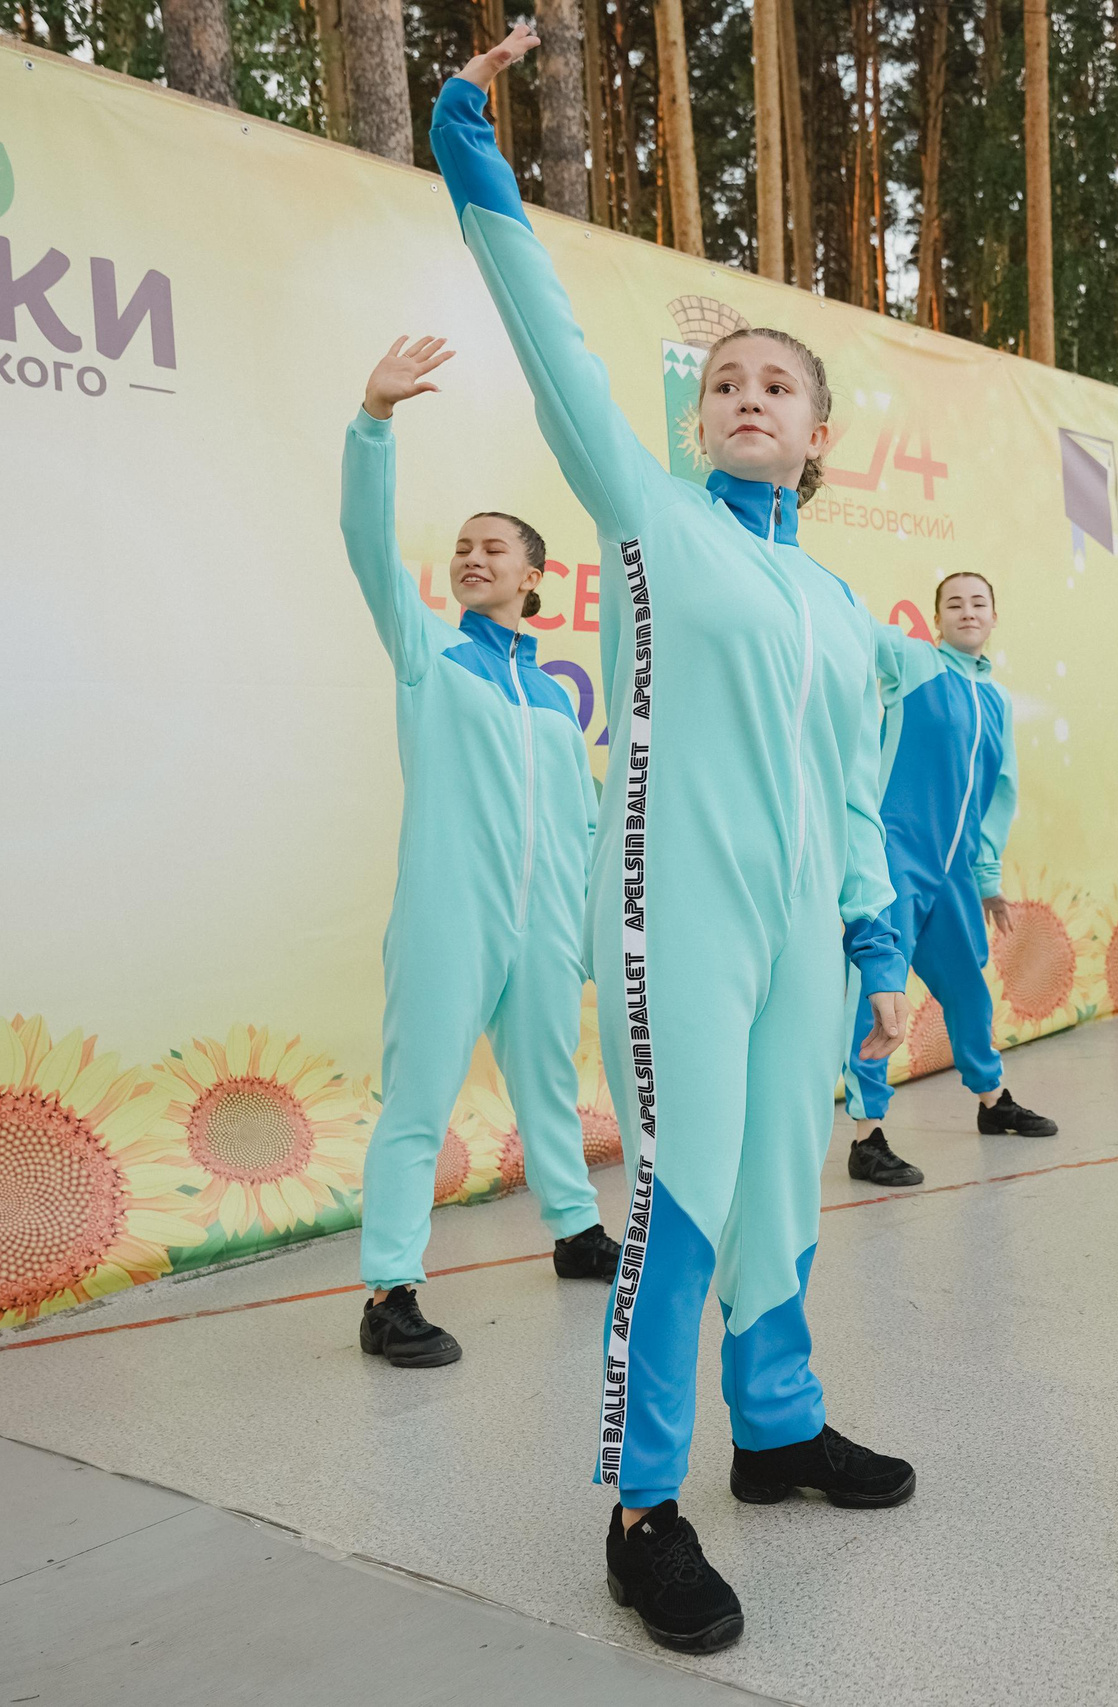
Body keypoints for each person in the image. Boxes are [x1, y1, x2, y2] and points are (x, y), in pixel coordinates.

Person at [432, 28, 916, 1657]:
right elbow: (559, 347)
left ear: (818, 436)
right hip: (676, 924)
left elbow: (852, 776)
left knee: (781, 1184)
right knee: (690, 1192)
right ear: (698, 419)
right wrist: (477, 163)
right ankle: (645, 1509)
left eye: (777, 385)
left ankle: (774, 1429)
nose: (748, 396)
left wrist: (872, 920)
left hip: (796, 935)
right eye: (727, 382)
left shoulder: (837, 604)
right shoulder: (655, 518)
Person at [338, 335, 620, 1373]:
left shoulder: (553, 696)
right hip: (450, 913)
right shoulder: (432, 661)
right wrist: (374, 420)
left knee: (548, 1081)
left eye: (493, 547)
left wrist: (589, 930)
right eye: (462, 545)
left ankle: (572, 1229)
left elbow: (586, 826)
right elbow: (367, 547)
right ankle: (390, 1287)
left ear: (534, 577)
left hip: (544, 925)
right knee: (420, 1096)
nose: (472, 557)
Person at [842, 571, 1059, 1189]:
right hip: (896, 861)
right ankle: (867, 1135)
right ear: (936, 618)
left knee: (969, 988)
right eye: (954, 603)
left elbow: (1000, 792)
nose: (967, 611)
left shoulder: (998, 699)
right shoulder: (913, 662)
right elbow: (854, 628)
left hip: (956, 872)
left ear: (994, 616)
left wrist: (987, 876)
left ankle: (993, 1101)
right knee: (877, 993)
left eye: (979, 602)